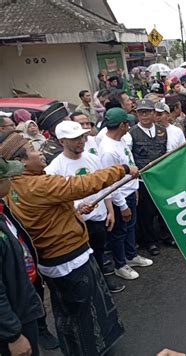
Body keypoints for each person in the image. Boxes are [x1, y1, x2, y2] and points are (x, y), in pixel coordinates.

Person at [0, 130, 138, 355]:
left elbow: (47, 211)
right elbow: (83, 184)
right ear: (19, 161)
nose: (41, 153)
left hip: (56, 257)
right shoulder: (34, 185)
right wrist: (122, 170)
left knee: (70, 310)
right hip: (67, 258)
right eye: (33, 150)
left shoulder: (18, 185)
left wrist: (73, 209)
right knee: (82, 312)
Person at [44, 121, 125, 293]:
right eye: (74, 138)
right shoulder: (54, 169)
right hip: (78, 223)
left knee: (99, 252)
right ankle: (91, 287)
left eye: (81, 136)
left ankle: (102, 281)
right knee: (83, 260)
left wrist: (110, 210)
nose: (80, 141)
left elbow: (105, 185)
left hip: (99, 218)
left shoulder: (93, 158)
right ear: (61, 141)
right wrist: (78, 207)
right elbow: (57, 198)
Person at [99, 108, 153, 280]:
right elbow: (110, 183)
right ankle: (120, 264)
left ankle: (131, 256)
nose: (129, 126)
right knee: (119, 232)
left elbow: (130, 165)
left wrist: (135, 189)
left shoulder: (120, 141)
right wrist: (121, 205)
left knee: (130, 228)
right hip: (119, 197)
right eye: (127, 123)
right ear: (122, 124)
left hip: (129, 192)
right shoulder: (107, 150)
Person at [0, 158, 44, 356]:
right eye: (9, 176)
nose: (13, 179)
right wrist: (13, 335)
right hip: (14, 319)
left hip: (22, 302)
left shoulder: (2, 207)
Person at [129, 100, 169, 256]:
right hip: (143, 179)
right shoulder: (131, 133)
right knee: (146, 212)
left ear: (154, 112)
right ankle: (150, 242)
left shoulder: (162, 130)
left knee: (162, 209)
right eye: (140, 112)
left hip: (160, 177)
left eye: (147, 111)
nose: (144, 115)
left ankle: (166, 236)